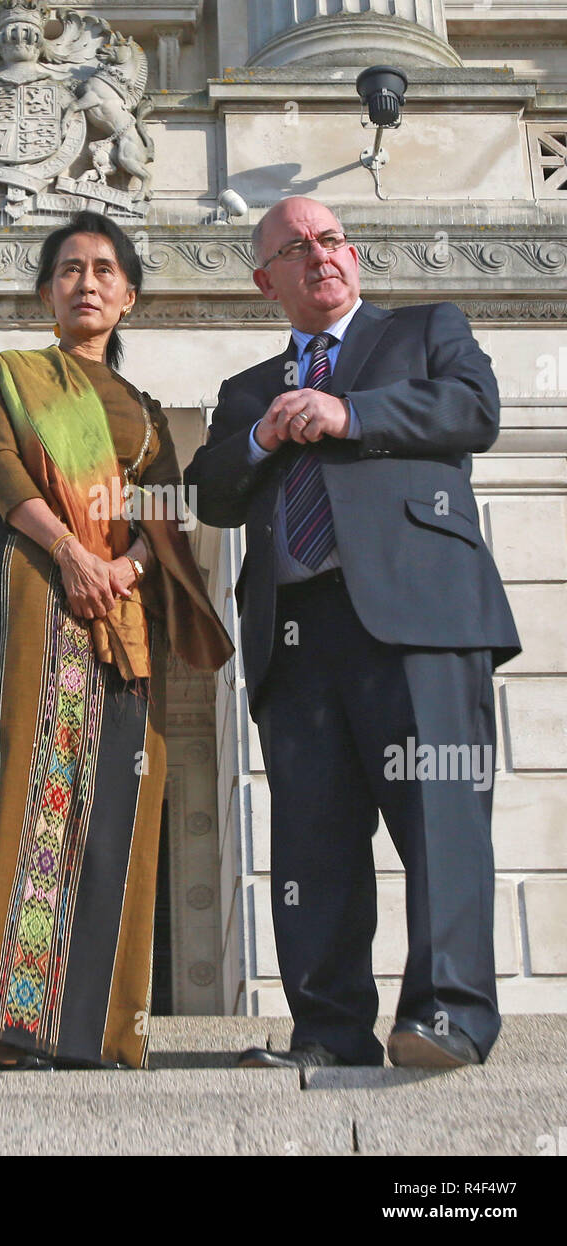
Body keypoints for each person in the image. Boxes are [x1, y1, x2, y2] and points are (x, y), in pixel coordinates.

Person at [185, 196, 521, 1070]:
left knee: (440, 816)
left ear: (354, 254)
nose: (320, 256)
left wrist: (351, 416)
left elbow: (472, 410)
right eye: (296, 248)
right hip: (295, 637)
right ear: (267, 280)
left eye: (331, 240)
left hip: (420, 616)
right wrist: (261, 437)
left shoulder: (424, 332)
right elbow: (211, 493)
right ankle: (329, 1034)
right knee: (313, 842)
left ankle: (448, 1016)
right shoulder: (246, 392)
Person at [0, 210, 232, 1072]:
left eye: (105, 270)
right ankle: (10, 1022)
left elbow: (165, 508)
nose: (87, 282)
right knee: (34, 784)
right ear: (46, 292)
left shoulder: (147, 415)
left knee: (117, 794)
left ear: (129, 296)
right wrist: (74, 552)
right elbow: (4, 474)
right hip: (35, 583)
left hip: (127, 609)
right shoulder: (17, 376)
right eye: (69, 269)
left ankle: (97, 1033)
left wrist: (127, 569)